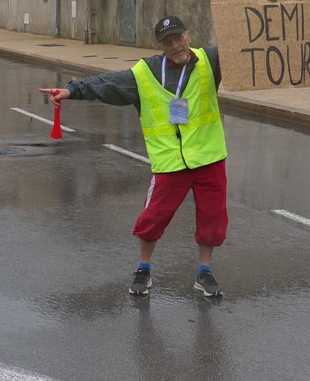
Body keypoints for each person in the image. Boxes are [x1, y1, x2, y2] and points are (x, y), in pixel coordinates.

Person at [39, 15, 228, 298]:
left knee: (212, 220)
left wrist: (268, 4)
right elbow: (107, 84)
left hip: (210, 159)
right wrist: (71, 90)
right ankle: (144, 268)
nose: (175, 45)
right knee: (153, 219)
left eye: (178, 38)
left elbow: (247, 46)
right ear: (161, 46)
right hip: (170, 164)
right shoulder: (144, 74)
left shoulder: (210, 60)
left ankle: (205, 271)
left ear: (189, 36)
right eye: (168, 42)